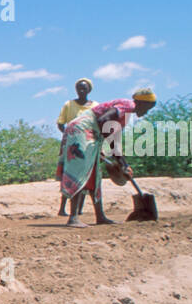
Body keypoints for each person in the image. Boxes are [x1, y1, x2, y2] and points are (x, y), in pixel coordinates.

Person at [59, 88, 158, 228]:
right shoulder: (128, 106)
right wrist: (115, 154)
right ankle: (73, 218)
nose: (146, 112)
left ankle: (100, 216)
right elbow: (103, 119)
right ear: (141, 103)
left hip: (93, 133)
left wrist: (123, 163)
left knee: (95, 174)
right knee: (80, 171)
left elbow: (114, 142)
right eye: (147, 108)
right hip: (82, 130)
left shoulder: (126, 114)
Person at [55, 78, 96, 216]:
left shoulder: (95, 106)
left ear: (89, 90)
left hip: (88, 145)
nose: (81, 90)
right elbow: (61, 123)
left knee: (85, 175)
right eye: (79, 88)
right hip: (71, 145)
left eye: (84, 88)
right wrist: (70, 135)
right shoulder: (69, 105)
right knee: (69, 174)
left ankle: (79, 209)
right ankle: (62, 209)